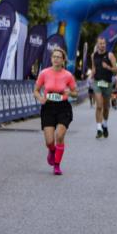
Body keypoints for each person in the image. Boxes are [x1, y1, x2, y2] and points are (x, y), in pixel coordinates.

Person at [33, 47, 78, 176]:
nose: (56, 59)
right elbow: (36, 90)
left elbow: (75, 93)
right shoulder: (44, 73)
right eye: (54, 57)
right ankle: (52, 150)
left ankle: (57, 165)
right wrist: (40, 98)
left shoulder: (68, 75)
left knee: (59, 135)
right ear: (51, 59)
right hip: (48, 107)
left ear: (63, 60)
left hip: (63, 107)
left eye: (59, 57)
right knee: (49, 141)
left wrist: (70, 92)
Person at [89, 37, 117, 138]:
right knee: (99, 106)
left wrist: (108, 67)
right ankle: (98, 129)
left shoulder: (110, 55)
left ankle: (105, 125)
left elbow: (116, 70)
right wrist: (90, 77)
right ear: (97, 44)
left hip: (107, 84)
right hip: (97, 82)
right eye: (100, 43)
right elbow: (94, 68)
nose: (102, 45)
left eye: (104, 43)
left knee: (106, 108)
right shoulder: (93, 55)